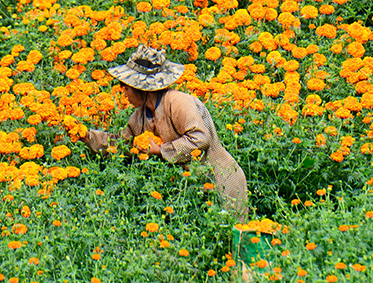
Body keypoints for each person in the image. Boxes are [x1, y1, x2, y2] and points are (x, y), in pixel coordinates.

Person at [81, 45, 250, 226]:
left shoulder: (178, 102)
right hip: (191, 190)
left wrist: (161, 150)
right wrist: (87, 136)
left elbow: (201, 138)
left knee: (229, 239)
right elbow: (123, 144)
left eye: (126, 87)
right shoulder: (139, 117)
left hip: (221, 181)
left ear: (141, 87)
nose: (124, 93)